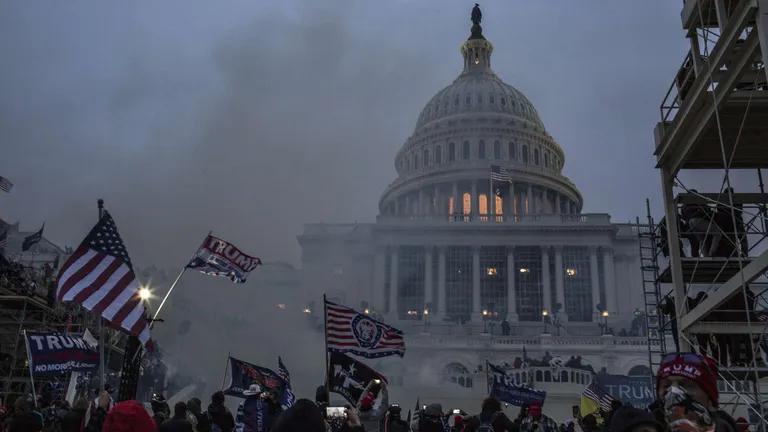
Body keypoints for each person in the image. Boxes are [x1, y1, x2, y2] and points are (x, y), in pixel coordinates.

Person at [655, 353, 738, 432]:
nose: (674, 392)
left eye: (686, 385)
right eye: (666, 386)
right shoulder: (647, 427)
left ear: (709, 398)